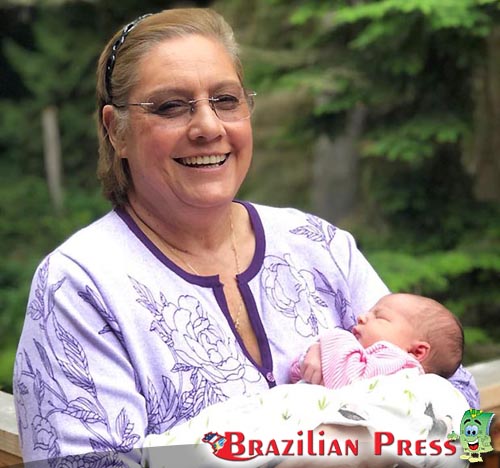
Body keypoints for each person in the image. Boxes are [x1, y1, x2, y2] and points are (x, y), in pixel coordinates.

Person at [12, 7, 478, 467]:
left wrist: (361, 446)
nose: (208, 127)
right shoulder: (80, 285)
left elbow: (458, 399)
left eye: (225, 100)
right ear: (117, 131)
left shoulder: (318, 245)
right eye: (171, 106)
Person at [290, 293, 464, 388]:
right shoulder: (370, 362)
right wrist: (312, 358)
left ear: (416, 351)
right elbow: (299, 377)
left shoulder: (401, 366)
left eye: (379, 317)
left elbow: (346, 383)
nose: (361, 317)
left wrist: (335, 337)